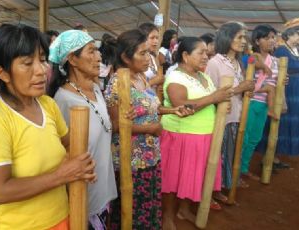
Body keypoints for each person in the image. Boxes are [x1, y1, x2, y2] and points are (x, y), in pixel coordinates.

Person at [0, 24, 96, 230]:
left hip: (61, 219)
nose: (42, 70)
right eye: (28, 63)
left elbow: (69, 146)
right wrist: (62, 175)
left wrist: (79, 166)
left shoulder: (47, 105)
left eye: (42, 60)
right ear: (2, 73)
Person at [105, 29, 192, 230]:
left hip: (150, 154)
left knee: (148, 206)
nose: (148, 58)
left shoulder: (140, 78)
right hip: (131, 160)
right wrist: (149, 129)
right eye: (142, 53)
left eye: (148, 53)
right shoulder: (117, 84)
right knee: (133, 211)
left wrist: (172, 109)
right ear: (126, 57)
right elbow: (116, 125)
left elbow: (150, 106)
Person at [160, 36, 233, 229]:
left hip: (204, 136)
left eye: (206, 52)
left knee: (192, 176)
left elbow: (212, 99)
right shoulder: (175, 77)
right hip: (180, 135)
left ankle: (184, 210)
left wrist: (220, 102)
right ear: (185, 55)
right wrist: (213, 97)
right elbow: (181, 106)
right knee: (172, 177)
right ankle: (167, 216)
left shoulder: (203, 76)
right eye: (200, 52)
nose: (205, 56)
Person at [48, 29, 117, 229]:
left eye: (97, 51)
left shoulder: (95, 89)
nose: (99, 56)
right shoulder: (63, 100)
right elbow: (60, 154)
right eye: (91, 51)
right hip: (81, 197)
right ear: (73, 59)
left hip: (102, 189)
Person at [205, 22, 255, 196]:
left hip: (237, 116)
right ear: (228, 38)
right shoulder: (214, 63)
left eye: (244, 37)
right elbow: (211, 94)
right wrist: (238, 89)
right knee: (218, 156)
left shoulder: (239, 62)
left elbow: (240, 90)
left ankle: (222, 186)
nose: (244, 41)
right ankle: (212, 191)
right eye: (239, 37)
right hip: (222, 119)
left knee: (231, 154)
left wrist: (247, 90)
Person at [240, 24, 278, 180]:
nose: (271, 41)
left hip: (264, 105)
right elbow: (251, 66)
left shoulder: (276, 61)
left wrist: (284, 80)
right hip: (250, 102)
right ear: (257, 41)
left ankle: (243, 168)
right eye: (267, 38)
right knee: (245, 138)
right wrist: (262, 64)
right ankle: (236, 172)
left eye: (273, 37)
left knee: (255, 138)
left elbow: (276, 81)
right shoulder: (250, 57)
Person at [258, 18, 299, 158]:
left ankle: (283, 152)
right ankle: (273, 155)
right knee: (282, 120)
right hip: (286, 90)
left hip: (296, 90)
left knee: (293, 119)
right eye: (298, 34)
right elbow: (274, 70)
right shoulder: (281, 50)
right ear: (290, 35)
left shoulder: (295, 50)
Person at [139, 22, 164, 90]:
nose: (156, 41)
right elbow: (134, 87)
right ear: (143, 39)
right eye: (152, 38)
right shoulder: (137, 59)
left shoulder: (153, 57)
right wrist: (153, 82)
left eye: (157, 38)